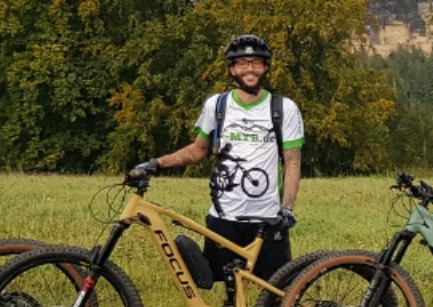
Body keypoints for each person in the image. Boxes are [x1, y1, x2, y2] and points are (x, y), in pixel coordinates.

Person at [129, 34, 303, 284]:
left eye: (256, 62)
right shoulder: (217, 106)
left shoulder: (284, 108)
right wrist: (156, 163)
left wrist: (286, 209)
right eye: (242, 63)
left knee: (276, 290)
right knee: (227, 285)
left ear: (265, 67)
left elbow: (292, 163)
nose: (250, 69)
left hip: (268, 217)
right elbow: (197, 150)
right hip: (224, 217)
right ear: (232, 69)